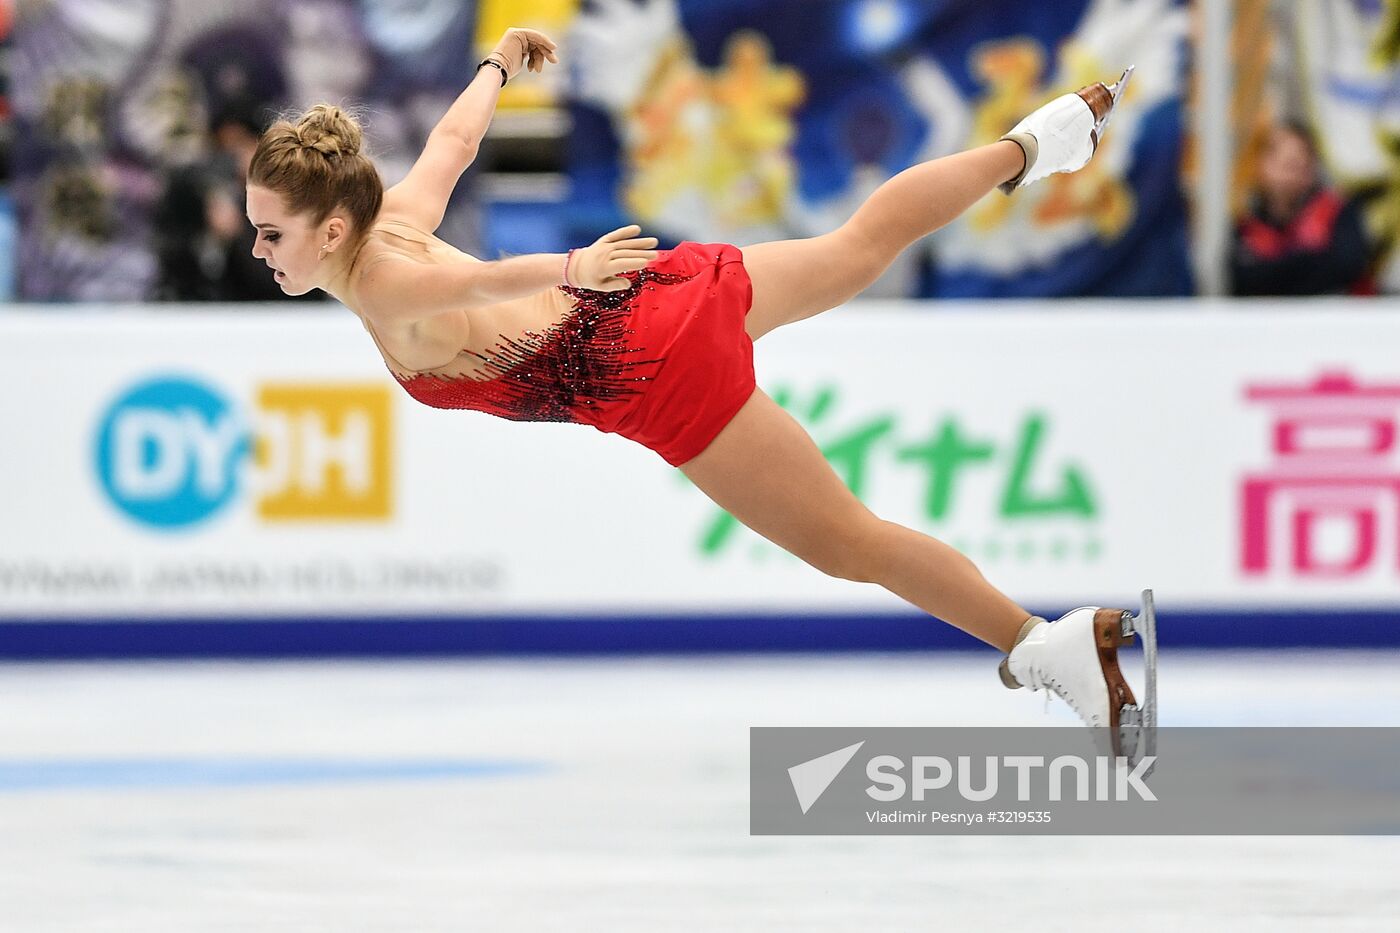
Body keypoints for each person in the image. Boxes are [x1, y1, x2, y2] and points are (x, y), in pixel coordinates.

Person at [244, 30, 1154, 759]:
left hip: (656, 376)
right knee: (857, 247)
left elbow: (468, 290)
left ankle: (1041, 645)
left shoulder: (384, 286)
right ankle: (1036, 143)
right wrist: (497, 65)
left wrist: (567, 263)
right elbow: (453, 144)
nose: (258, 251)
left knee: (848, 542)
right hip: (663, 293)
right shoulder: (398, 218)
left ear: (329, 229)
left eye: (269, 233)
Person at [1230, 120, 1371, 296]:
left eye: (1299, 166)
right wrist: (1312, 259)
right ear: (1261, 165)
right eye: (1284, 165)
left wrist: (1276, 270)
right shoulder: (1246, 228)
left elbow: (1347, 265)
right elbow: (1244, 280)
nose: (1290, 177)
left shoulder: (1337, 212)